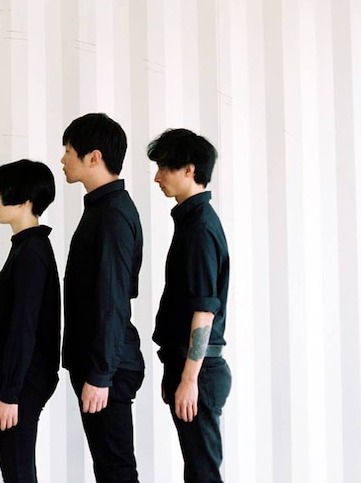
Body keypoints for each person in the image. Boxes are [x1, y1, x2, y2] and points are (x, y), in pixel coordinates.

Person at [60, 113, 146, 483]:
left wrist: (99, 374)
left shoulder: (111, 215)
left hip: (106, 365)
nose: (63, 159)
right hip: (103, 361)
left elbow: (113, 300)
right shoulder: (102, 209)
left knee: (116, 471)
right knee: (110, 469)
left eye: (68, 151)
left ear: (93, 157)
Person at [147, 128, 232, 482]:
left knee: (202, 474)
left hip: (199, 370)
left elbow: (204, 309)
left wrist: (189, 378)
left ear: (190, 170)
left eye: (165, 167)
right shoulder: (191, 222)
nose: (157, 177)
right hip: (191, 366)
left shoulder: (199, 228)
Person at [0, 159, 61, 483]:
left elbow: (24, 326)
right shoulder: (27, 248)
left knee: (18, 472)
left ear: (25, 200)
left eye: (1, 192)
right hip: (19, 378)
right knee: (15, 471)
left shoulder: (32, 253)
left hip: (22, 381)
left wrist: (10, 393)